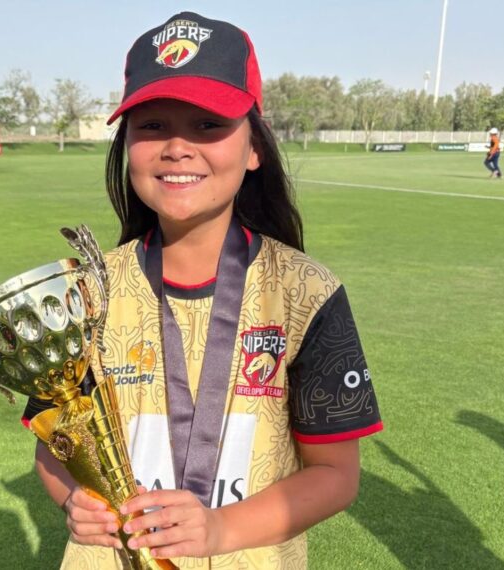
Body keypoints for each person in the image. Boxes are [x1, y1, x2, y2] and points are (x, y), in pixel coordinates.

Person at [23, 11, 383, 569]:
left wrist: (217, 529)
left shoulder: (306, 292)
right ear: (126, 146)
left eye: (209, 125)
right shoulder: (84, 292)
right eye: (152, 126)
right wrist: (73, 498)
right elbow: (53, 452)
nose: (177, 147)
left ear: (255, 147)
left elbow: (335, 476)